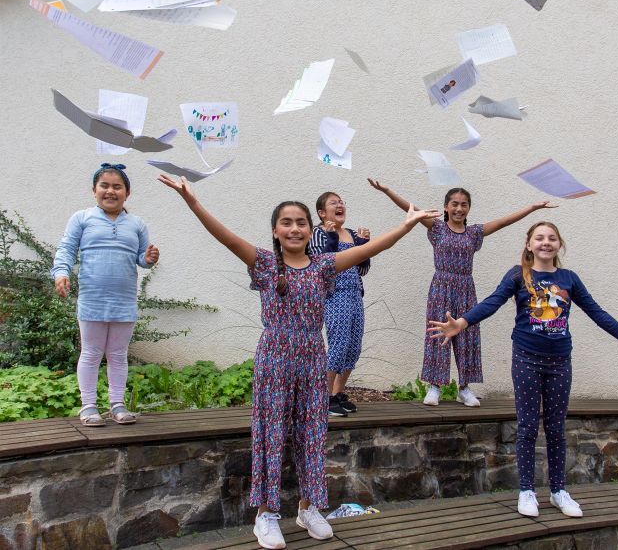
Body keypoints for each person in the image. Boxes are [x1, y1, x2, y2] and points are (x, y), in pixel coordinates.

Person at [157, 173, 438, 550]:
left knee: (312, 434)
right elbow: (224, 236)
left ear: (311, 228)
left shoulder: (323, 266)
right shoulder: (264, 264)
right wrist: (192, 201)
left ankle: (309, 508)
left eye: (301, 222)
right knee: (271, 435)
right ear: (275, 230)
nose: (294, 228)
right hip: (274, 359)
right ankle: (266, 514)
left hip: (311, 359)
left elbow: (371, 250)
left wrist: (405, 226)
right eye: (286, 222)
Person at [428, 221, 618, 519]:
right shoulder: (518, 276)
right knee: (528, 426)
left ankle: (558, 492)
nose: (545, 242)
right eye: (539, 238)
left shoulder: (569, 279)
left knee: (556, 429)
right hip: (526, 359)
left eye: (551, 238)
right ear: (529, 245)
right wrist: (461, 323)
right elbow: (492, 302)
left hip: (559, 362)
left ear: (559, 245)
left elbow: (598, 313)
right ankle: (527, 491)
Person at [368, 178, 556, 407]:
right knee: (438, 333)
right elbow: (410, 209)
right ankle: (434, 386)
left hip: (466, 288)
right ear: (446, 207)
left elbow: (504, 222)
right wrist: (387, 190)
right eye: (454, 204)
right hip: (441, 286)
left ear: (469, 208)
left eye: (464, 204)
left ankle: (464, 388)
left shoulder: (474, 233)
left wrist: (533, 208)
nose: (459, 208)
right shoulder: (436, 227)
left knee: (468, 335)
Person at [52, 163, 159, 427]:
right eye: (105, 185)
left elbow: (141, 259)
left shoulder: (137, 223)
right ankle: (88, 406)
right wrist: (61, 273)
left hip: (124, 301)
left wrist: (147, 259)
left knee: (118, 354)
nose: (110, 191)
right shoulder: (82, 218)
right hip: (92, 299)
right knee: (90, 353)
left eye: (117, 186)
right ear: (94, 190)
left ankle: (117, 405)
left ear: (127, 193)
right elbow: (66, 249)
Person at [309, 192, 371, 417]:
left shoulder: (352, 234)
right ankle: (323, 398)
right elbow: (322, 264)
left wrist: (363, 246)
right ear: (322, 213)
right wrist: (331, 236)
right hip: (335, 295)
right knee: (338, 344)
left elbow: (362, 269)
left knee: (354, 346)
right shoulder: (318, 232)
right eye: (333, 203)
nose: (340, 205)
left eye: (341, 202)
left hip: (355, 294)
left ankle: (337, 394)